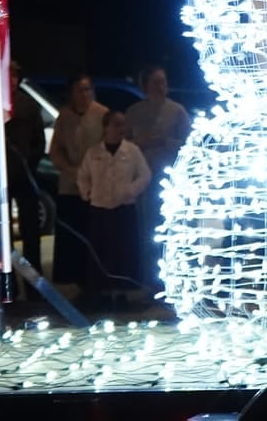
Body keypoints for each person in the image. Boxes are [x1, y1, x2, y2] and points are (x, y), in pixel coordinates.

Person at [76, 109, 151, 309]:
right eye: (116, 124)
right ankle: (103, 292)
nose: (121, 129)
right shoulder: (93, 153)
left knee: (123, 252)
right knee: (102, 252)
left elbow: (145, 175)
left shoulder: (132, 151)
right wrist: (88, 193)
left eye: (123, 124)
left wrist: (130, 190)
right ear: (106, 127)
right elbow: (83, 176)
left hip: (123, 209)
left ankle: (121, 293)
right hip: (100, 208)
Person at [124, 64, 191, 287]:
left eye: (163, 81)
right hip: (145, 182)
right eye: (155, 82)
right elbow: (124, 145)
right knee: (148, 232)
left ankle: (176, 281)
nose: (160, 86)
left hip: (172, 181)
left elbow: (189, 145)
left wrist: (165, 142)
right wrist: (139, 143)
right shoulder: (134, 113)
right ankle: (150, 282)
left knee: (174, 230)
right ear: (145, 85)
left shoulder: (177, 111)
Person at [47, 74, 107, 285]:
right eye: (79, 90)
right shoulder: (64, 117)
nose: (84, 95)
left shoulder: (101, 114)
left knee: (93, 234)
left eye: (87, 89)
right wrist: (69, 169)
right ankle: (72, 282)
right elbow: (56, 150)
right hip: (70, 184)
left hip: (96, 185)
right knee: (71, 235)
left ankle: (94, 281)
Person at [4, 62, 48, 272]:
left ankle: (33, 285)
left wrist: (29, 164)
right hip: (1, 179)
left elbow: (39, 141)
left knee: (30, 233)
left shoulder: (28, 105)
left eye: (15, 76)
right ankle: (6, 286)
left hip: (25, 175)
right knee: (2, 235)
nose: (11, 80)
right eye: (8, 75)